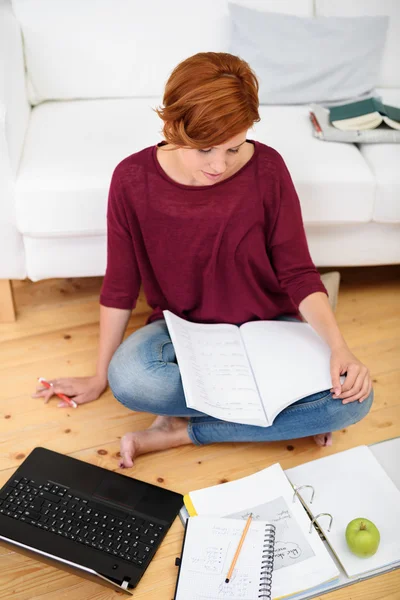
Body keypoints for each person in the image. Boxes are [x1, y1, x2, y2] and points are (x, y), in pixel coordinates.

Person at [32, 52, 373, 468]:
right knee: (132, 380)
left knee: (355, 402)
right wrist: (99, 374)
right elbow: (121, 286)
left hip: (270, 327)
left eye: (234, 148)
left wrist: (340, 348)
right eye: (205, 149)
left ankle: (183, 431)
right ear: (173, 126)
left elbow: (298, 272)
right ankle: (284, 412)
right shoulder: (131, 179)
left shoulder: (268, 169)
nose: (219, 165)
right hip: (182, 333)